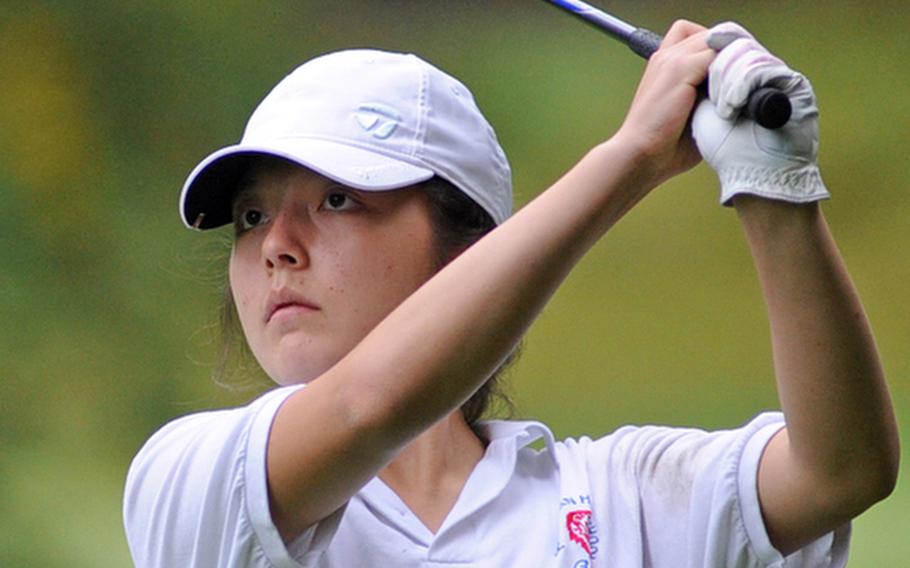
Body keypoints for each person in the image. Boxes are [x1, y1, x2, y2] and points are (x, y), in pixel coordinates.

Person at [123, 20, 899, 567]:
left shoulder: (619, 496)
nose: (275, 248)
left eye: (337, 201)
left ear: (471, 247)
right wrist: (631, 159)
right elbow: (368, 406)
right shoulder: (191, 477)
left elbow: (843, 472)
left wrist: (772, 188)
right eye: (251, 217)